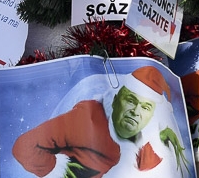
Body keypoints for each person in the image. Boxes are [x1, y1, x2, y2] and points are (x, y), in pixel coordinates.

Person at [12, 65, 189, 177]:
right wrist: (56, 169)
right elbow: (24, 146)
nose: (136, 112)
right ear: (116, 99)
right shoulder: (87, 118)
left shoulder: (151, 145)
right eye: (131, 101)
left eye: (145, 107)